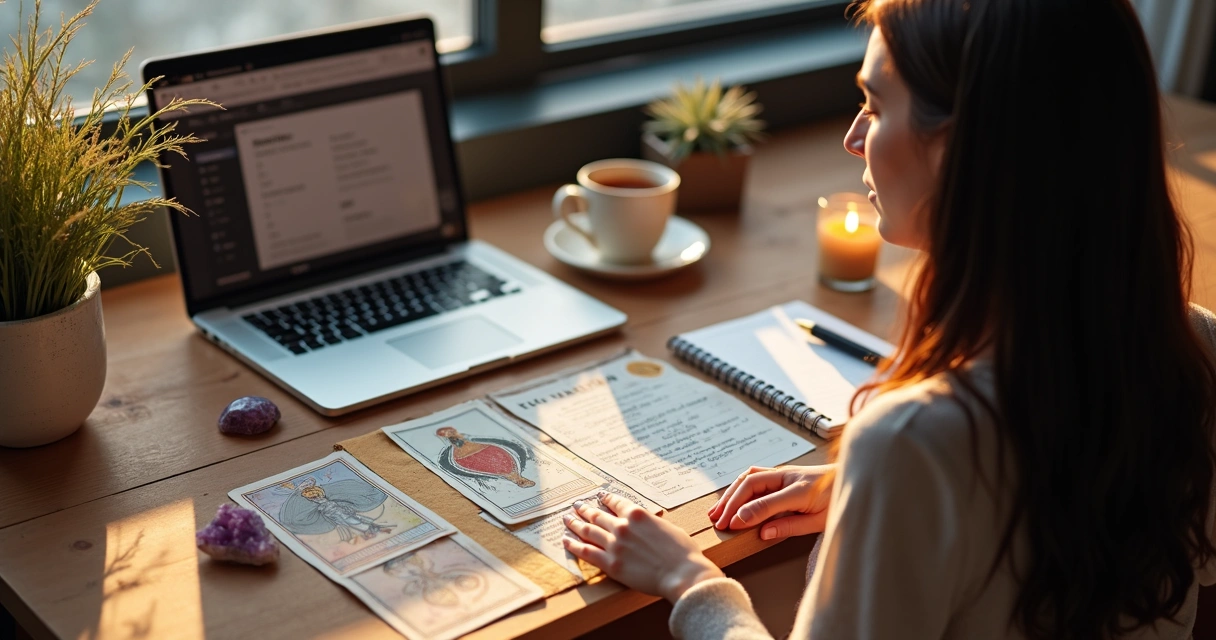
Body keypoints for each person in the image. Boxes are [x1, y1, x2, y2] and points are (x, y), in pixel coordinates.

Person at [561, 0, 1216, 637]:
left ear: (960, 149)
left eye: (874, 106)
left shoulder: (913, 442)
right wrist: (875, 495)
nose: (853, 138)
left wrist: (690, 581)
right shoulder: (1194, 347)